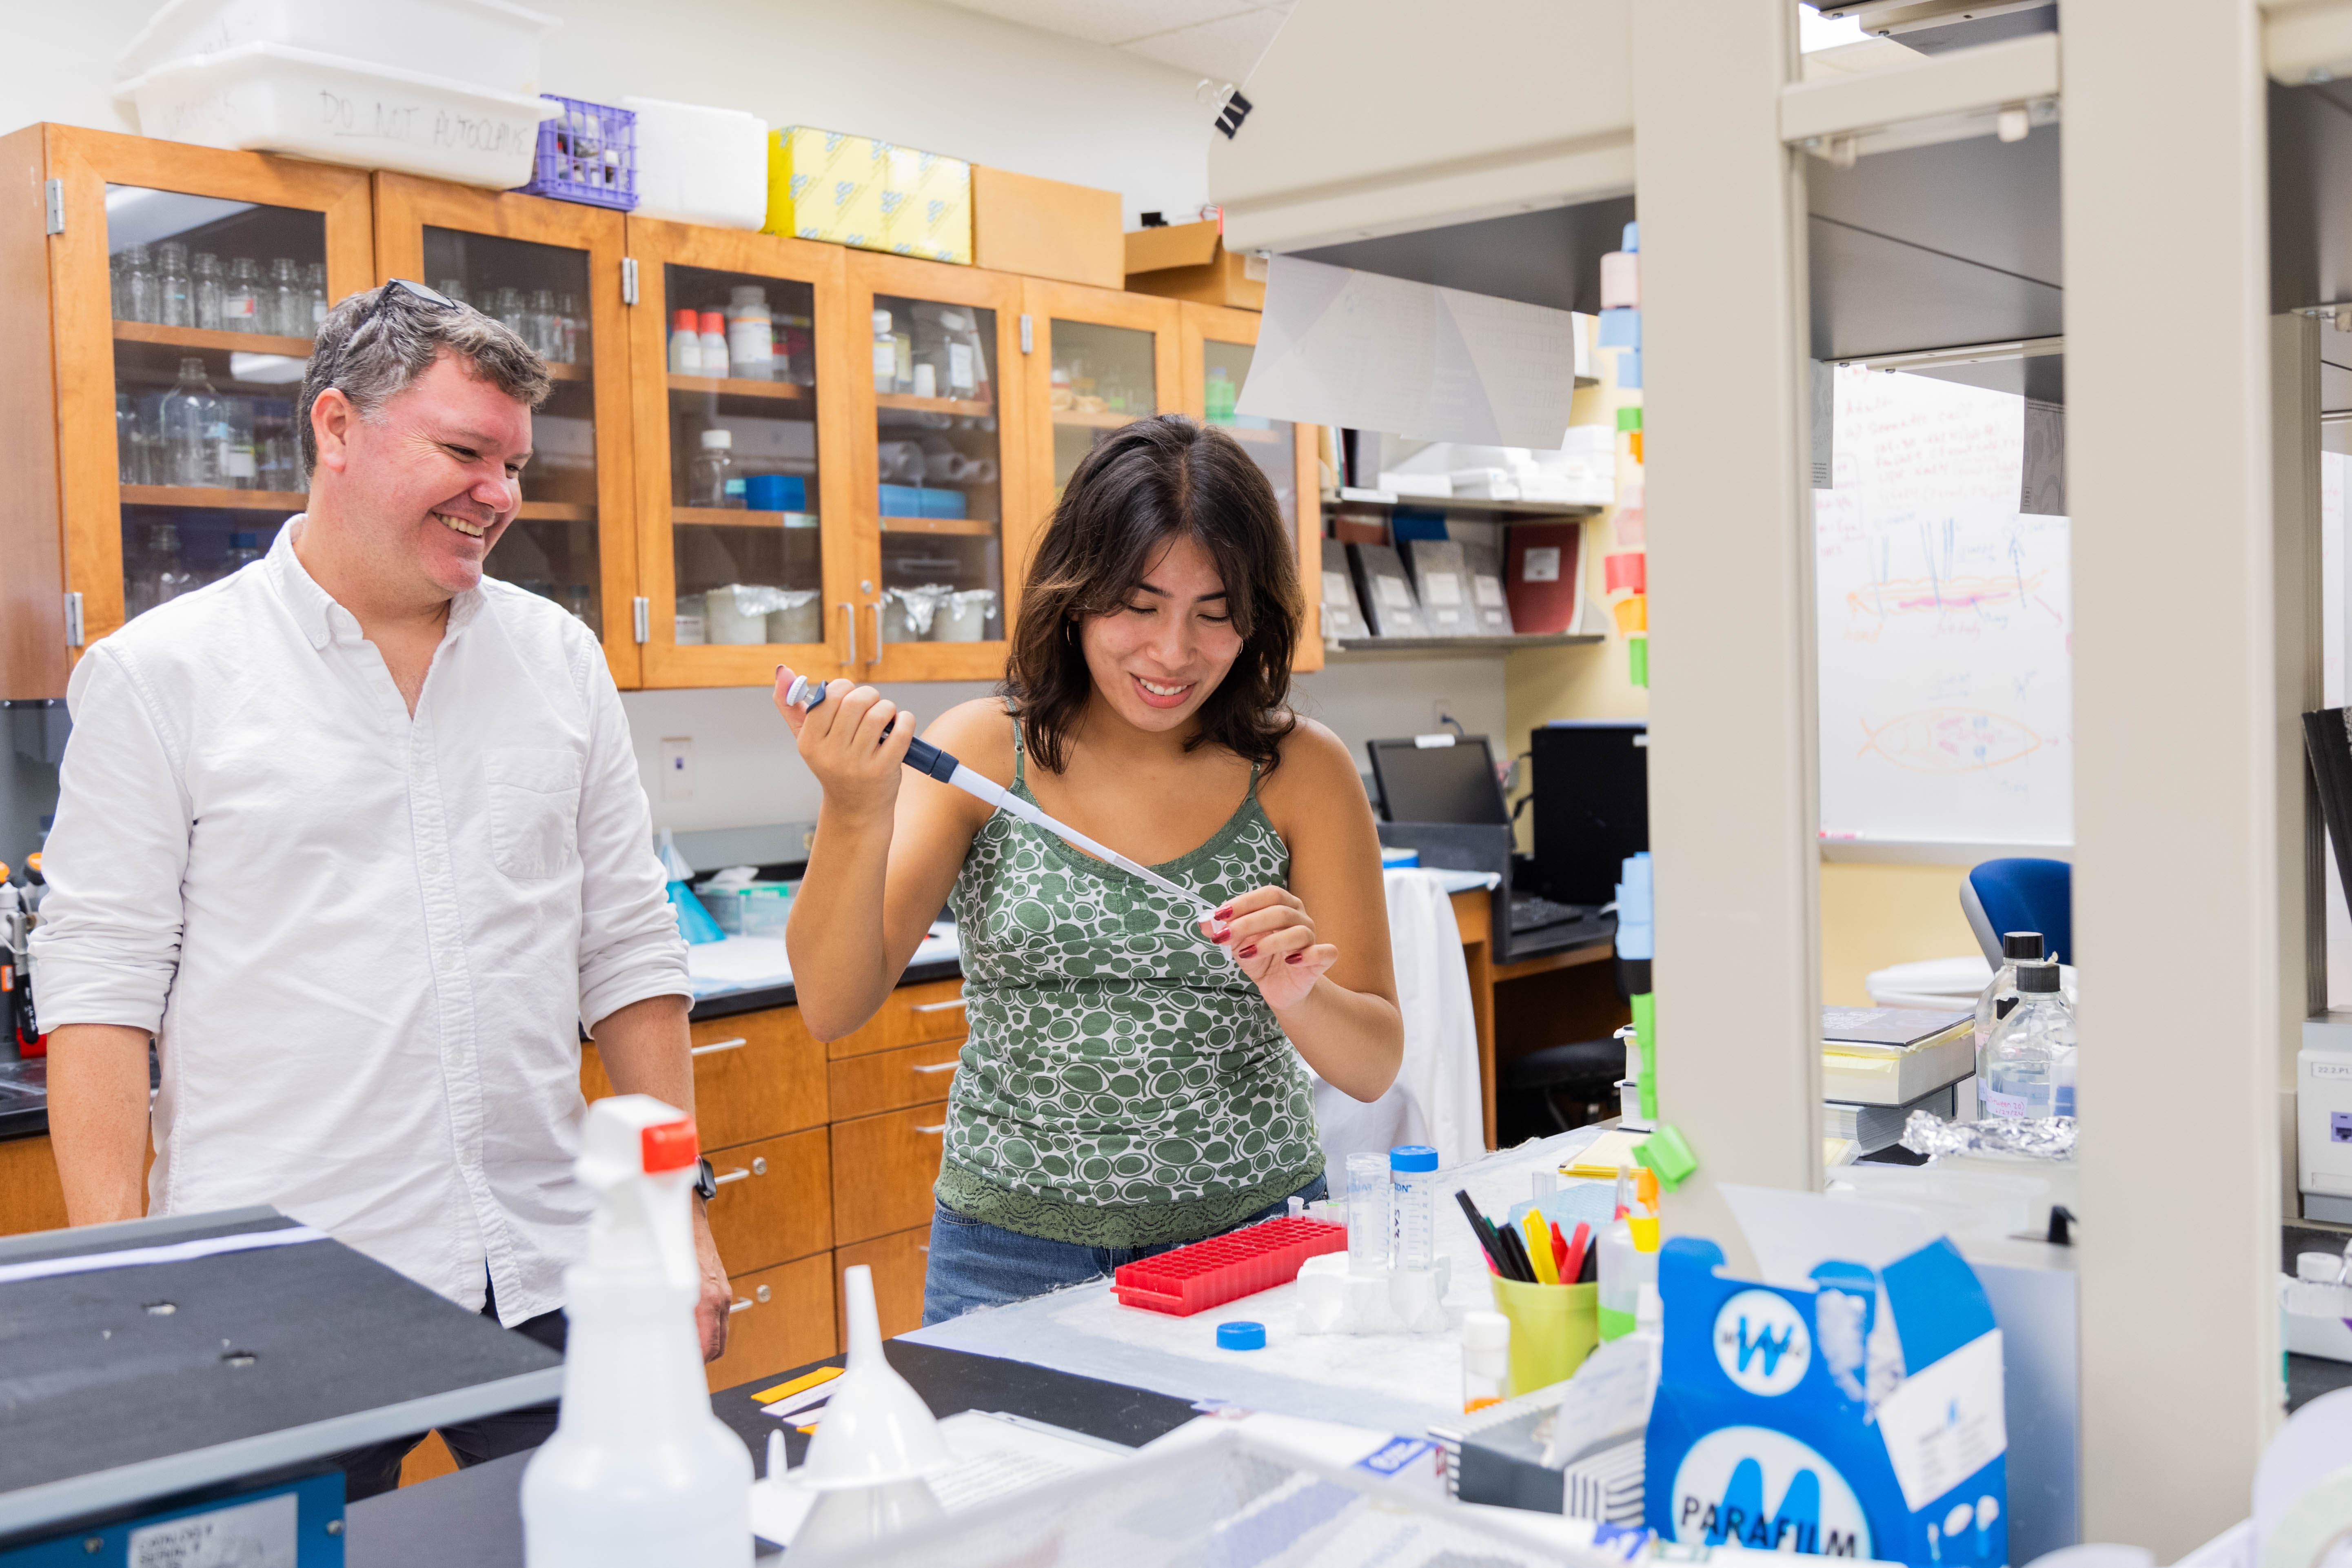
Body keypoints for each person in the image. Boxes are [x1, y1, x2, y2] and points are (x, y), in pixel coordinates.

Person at [34, 280, 731, 1497]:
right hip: (279, 1285)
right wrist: (127, 1284)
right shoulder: (162, 676)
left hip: (551, 1263)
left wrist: (683, 1212)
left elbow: (627, 953)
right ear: (336, 429)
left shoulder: (558, 661)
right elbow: (100, 992)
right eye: (464, 450)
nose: (500, 495)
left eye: (513, 463)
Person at [779, 415, 1404, 1324]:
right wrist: (852, 804)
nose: (1172, 653)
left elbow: (1374, 1063)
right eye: (1138, 607)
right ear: (1075, 597)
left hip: (1250, 1243)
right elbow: (831, 1005)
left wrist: (1298, 992)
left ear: (1255, 616)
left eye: (1215, 613)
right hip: (1007, 1253)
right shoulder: (984, 752)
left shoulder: (1303, 768)